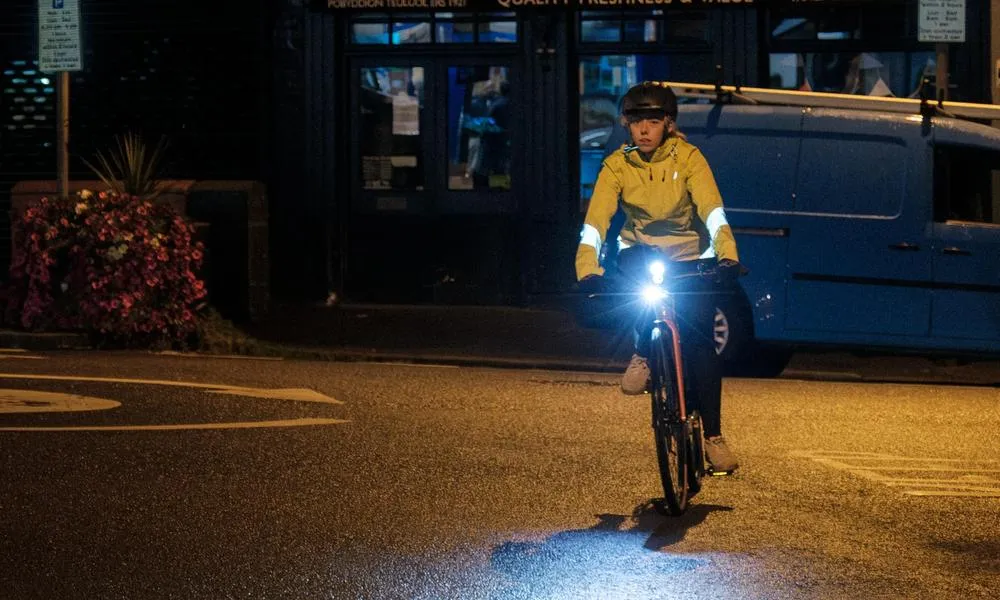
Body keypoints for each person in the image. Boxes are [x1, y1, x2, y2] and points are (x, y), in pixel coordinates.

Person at [575, 81, 743, 473]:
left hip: (688, 257)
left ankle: (713, 437)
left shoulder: (688, 158)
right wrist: (587, 268)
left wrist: (727, 255)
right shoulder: (617, 164)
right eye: (637, 122)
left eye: (653, 121)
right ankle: (644, 351)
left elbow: (712, 210)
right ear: (626, 125)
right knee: (634, 288)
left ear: (668, 123)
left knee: (701, 345)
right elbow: (596, 222)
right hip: (641, 252)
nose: (644, 130)